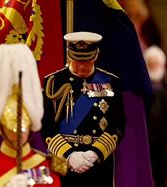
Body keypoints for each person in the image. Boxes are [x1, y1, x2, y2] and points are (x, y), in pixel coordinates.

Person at [0, 44, 66, 186]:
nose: (17, 134)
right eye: (11, 129)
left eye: (22, 129)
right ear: (1, 126)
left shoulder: (48, 167)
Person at [41, 32, 126, 187]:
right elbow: (47, 128)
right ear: (69, 55)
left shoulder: (110, 82)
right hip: (65, 162)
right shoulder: (53, 83)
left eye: (87, 61)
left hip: (98, 163)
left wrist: (95, 153)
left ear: (96, 55)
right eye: (77, 61)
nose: (82, 66)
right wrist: (70, 155)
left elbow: (118, 125)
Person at [144, 46, 167, 187]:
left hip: (164, 139)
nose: (154, 66)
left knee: (162, 175)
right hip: (144, 137)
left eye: (157, 63)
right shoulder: (141, 87)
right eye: (151, 63)